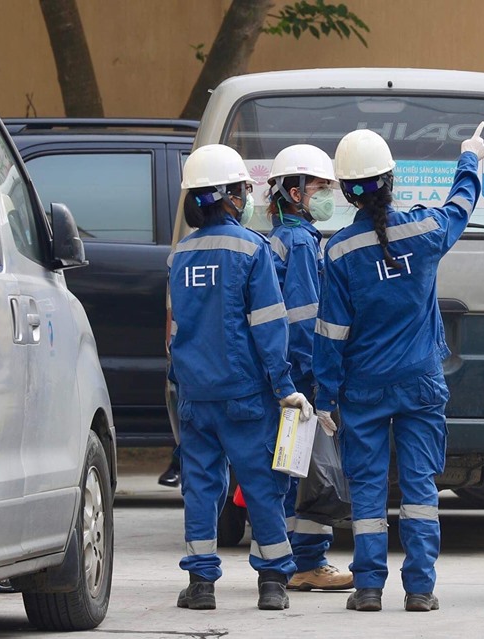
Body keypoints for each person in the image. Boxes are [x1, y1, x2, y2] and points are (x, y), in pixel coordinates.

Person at [313, 124, 484, 613]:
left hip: (363, 389)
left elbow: (330, 334)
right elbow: (461, 206)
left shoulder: (340, 252)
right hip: (420, 383)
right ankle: (420, 589)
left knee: (367, 491)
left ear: (346, 191)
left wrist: (325, 397)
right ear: (392, 179)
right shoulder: (426, 230)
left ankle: (368, 588)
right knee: (419, 489)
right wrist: (470, 157)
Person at [167, 143, 313, 611]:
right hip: (246, 395)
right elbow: (270, 326)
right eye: (242, 190)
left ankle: (201, 585)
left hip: (195, 394)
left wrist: (181, 382)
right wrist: (285, 387)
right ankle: (272, 582)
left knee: (201, 488)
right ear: (230, 196)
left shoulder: (179, 257)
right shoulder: (253, 249)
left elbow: (176, 331)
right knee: (262, 484)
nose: (247, 197)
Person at [264, 144, 353, 591]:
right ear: (295, 193)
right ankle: (306, 564)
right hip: (300, 378)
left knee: (290, 473)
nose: (327, 196)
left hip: (281, 376)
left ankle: (288, 564)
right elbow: (303, 320)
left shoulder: (281, 237)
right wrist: (317, 385)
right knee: (307, 472)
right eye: (320, 187)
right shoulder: (300, 242)